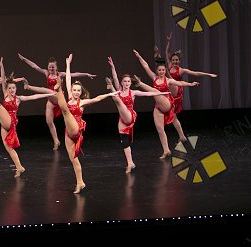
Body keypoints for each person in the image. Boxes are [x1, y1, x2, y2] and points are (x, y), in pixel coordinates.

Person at [55, 54, 118, 194]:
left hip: (76, 129)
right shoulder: (70, 97)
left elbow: (97, 99)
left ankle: (57, 89)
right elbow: (68, 79)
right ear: (72, 90)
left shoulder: (81, 102)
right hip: (68, 132)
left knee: (65, 110)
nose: (76, 92)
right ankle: (80, 182)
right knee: (73, 159)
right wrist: (68, 64)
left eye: (78, 90)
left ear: (81, 92)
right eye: (74, 90)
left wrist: (110, 94)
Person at [0, 57, 53, 178]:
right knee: (8, 148)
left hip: (10, 121)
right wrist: (2, 67)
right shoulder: (5, 94)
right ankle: (19, 167)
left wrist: (49, 94)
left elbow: (34, 97)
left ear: (16, 89)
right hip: (4, 123)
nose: (11, 90)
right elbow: (3, 80)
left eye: (13, 88)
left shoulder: (18, 99)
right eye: (10, 88)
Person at [18, 53, 96, 150]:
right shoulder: (46, 73)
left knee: (47, 91)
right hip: (51, 99)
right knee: (49, 121)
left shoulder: (61, 74)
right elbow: (35, 66)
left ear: (56, 67)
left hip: (59, 97)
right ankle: (56, 141)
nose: (51, 69)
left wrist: (86, 74)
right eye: (49, 67)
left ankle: (29, 87)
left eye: (53, 67)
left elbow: (73, 74)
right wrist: (24, 59)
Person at [133, 49, 200, 159]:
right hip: (158, 107)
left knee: (156, 92)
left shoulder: (168, 80)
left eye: (163, 70)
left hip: (167, 103)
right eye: (160, 70)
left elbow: (180, 83)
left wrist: (190, 84)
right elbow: (146, 66)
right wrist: (139, 56)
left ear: (165, 70)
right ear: (157, 70)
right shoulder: (154, 78)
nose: (161, 72)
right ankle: (166, 150)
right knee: (160, 129)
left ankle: (140, 84)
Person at [106, 56, 168, 172]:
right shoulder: (120, 89)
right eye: (125, 81)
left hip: (129, 116)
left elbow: (148, 94)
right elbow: (115, 77)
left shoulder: (133, 92)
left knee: (116, 98)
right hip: (122, 118)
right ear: (121, 82)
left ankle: (111, 90)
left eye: (129, 81)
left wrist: (162, 93)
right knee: (124, 141)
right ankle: (130, 163)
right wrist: (112, 67)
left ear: (131, 83)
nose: (127, 83)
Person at [156, 32, 217, 114]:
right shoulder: (170, 65)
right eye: (173, 60)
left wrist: (208, 74)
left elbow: (195, 73)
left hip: (177, 88)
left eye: (176, 60)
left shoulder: (181, 70)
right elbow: (166, 52)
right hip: (169, 86)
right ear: (171, 60)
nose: (175, 62)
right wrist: (169, 41)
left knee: (173, 107)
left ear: (179, 61)